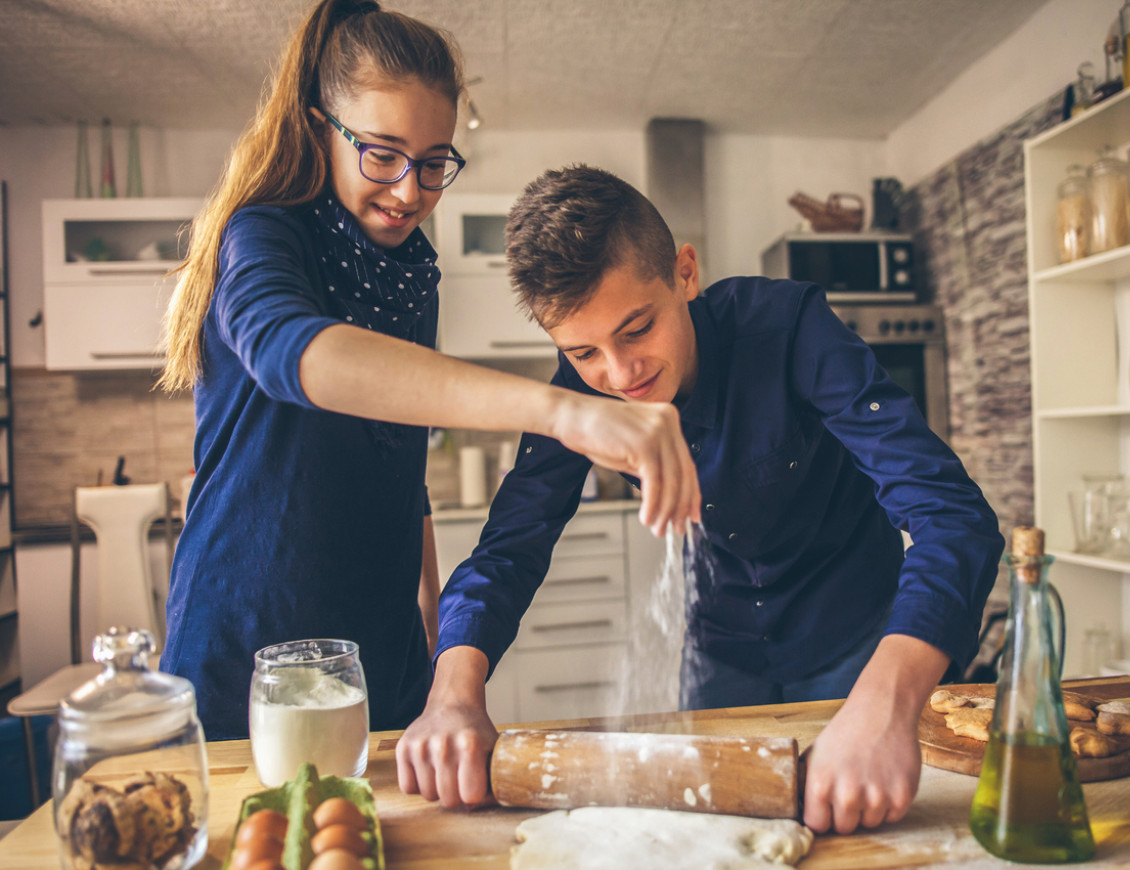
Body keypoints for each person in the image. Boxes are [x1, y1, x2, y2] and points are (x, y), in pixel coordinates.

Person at [395, 165, 1005, 834]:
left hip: (860, 641)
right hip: (719, 652)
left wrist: (885, 706)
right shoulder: (577, 393)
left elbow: (953, 517)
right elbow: (507, 549)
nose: (619, 374)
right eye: (584, 353)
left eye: (637, 329)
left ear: (685, 273)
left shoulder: (788, 327)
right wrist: (452, 694)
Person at [157, 5, 699, 741]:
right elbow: (294, 353)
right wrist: (565, 410)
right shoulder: (262, 235)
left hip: (381, 649)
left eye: (434, 162)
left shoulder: (411, 276)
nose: (410, 190)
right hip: (250, 640)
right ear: (322, 130)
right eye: (382, 155)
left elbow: (398, 460)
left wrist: (437, 626)